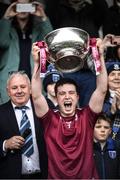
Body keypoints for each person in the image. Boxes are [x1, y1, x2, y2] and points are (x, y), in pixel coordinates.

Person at [31, 34, 113, 179]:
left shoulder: (87, 116)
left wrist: (99, 57)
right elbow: (36, 95)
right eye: (62, 93)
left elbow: (101, 89)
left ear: (77, 97)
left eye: (71, 93)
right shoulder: (49, 119)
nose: (67, 96)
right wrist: (37, 63)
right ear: (56, 97)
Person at [0, 0, 53, 104]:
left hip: (33, 79)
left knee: (34, 114)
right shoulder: (8, 27)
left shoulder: (38, 28)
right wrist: (6, 18)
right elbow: (2, 42)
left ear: (32, 6)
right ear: (13, 6)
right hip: (10, 78)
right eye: (19, 5)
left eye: (26, 5)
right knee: (8, 114)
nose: (23, 8)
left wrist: (43, 18)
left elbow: (49, 44)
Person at [0, 71, 48, 179]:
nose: (19, 91)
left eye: (23, 86)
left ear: (30, 89)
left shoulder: (43, 109)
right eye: (14, 88)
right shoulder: (1, 113)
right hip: (11, 176)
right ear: (8, 91)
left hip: (44, 175)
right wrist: (5, 144)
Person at [93, 113, 120, 179]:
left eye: (106, 127)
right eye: (98, 127)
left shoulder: (116, 148)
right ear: (92, 129)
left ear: (110, 131)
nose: (102, 130)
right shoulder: (86, 149)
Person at [103, 61, 120, 147]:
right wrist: (112, 110)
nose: (117, 78)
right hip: (106, 145)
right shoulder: (100, 97)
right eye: (112, 74)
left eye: (119, 74)